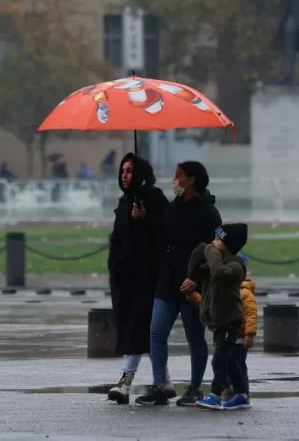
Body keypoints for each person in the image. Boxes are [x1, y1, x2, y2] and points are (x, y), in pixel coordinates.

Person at [136, 160, 222, 407]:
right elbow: (160, 235)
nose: (175, 180)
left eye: (179, 175)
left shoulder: (208, 211)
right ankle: (160, 385)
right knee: (156, 332)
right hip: (168, 277)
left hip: (191, 281)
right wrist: (143, 219)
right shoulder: (174, 207)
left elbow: (213, 249)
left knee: (194, 335)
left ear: (191, 179)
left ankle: (195, 388)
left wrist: (196, 278)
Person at [106, 153, 169, 405]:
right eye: (123, 170)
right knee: (143, 331)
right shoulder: (125, 202)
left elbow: (162, 235)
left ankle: (126, 381)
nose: (125, 175)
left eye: (130, 170)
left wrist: (143, 220)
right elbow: (119, 239)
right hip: (126, 277)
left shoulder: (154, 199)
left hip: (148, 277)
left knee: (138, 328)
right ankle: (163, 381)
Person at [183, 239, 256, 411]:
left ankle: (216, 395)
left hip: (232, 327)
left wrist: (249, 333)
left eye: (218, 239)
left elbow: (251, 313)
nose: (214, 242)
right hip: (221, 324)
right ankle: (241, 395)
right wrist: (191, 294)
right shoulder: (221, 282)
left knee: (220, 361)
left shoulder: (235, 275)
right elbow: (207, 302)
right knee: (230, 361)